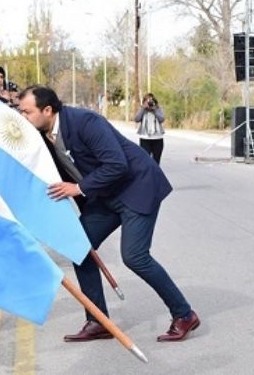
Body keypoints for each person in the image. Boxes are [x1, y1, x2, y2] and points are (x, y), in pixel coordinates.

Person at [18, 85, 199, 342]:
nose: (23, 117)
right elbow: (69, 172)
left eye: (27, 112)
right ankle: (98, 321)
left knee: (135, 257)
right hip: (104, 196)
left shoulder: (85, 122)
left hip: (136, 188)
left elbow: (116, 164)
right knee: (80, 248)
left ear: (47, 110)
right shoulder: (42, 135)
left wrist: (79, 188)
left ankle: (184, 314)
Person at [133, 93, 165, 164]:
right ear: (144, 102)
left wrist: (155, 110)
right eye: (147, 101)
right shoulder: (142, 109)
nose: (149, 103)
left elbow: (162, 119)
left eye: (151, 101)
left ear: (154, 101)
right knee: (145, 160)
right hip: (145, 138)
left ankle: (155, 171)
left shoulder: (158, 108)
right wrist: (143, 108)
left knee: (156, 161)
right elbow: (136, 119)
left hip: (157, 138)